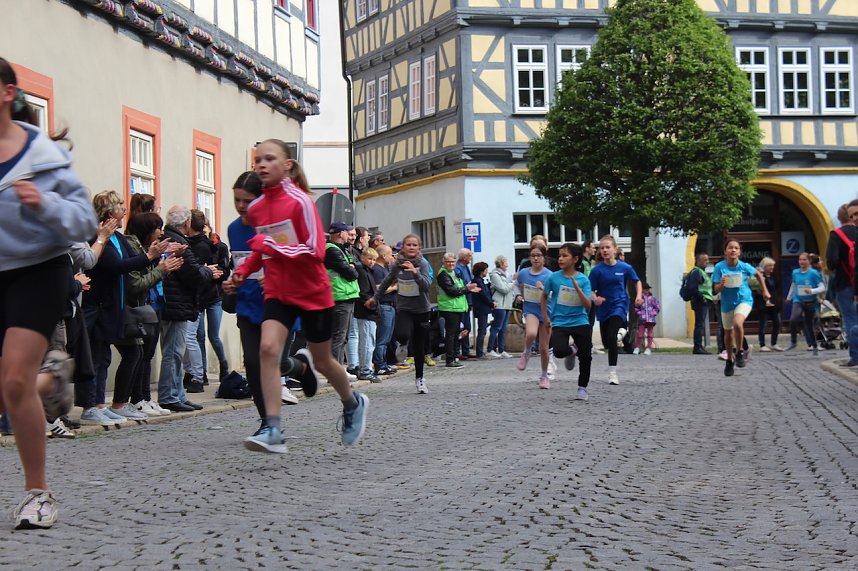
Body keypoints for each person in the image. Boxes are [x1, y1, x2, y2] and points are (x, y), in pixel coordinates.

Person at [0, 57, 98, 529]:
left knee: (15, 381)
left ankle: (37, 494)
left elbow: (84, 223)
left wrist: (44, 202)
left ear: (6, 93)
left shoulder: (44, 156)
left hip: (37, 269)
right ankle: (54, 380)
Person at [226, 139, 368, 453]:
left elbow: (315, 251)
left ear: (287, 165)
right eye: (257, 160)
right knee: (267, 349)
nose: (262, 165)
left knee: (324, 361)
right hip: (278, 291)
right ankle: (273, 428)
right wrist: (244, 271)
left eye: (269, 159)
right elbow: (261, 249)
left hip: (312, 291)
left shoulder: (301, 201)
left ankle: (352, 402)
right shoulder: (259, 207)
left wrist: (272, 248)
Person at [82, 190, 178, 424]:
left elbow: (133, 260)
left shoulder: (118, 238)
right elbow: (117, 265)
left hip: (114, 305)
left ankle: (102, 404)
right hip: (99, 304)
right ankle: (90, 406)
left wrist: (156, 255)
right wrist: (151, 258)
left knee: (104, 356)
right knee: (97, 357)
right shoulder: (99, 237)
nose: (124, 211)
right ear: (109, 211)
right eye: (120, 207)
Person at [225, 171, 299, 425]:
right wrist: (233, 281)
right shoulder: (234, 229)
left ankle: (300, 366)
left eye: (247, 200)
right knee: (254, 366)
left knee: (275, 362)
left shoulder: (276, 225)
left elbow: (299, 261)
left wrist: (277, 276)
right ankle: (268, 422)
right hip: (247, 304)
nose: (241, 206)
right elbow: (240, 264)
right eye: (237, 200)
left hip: (279, 303)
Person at [157, 205, 221, 412]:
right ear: (186, 223)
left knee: (176, 351)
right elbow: (193, 275)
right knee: (174, 352)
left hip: (174, 302)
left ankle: (178, 394)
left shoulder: (169, 237)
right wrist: (208, 271)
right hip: (177, 304)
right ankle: (169, 396)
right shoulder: (179, 242)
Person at [124, 212, 182, 417]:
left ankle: (145, 398)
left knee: (146, 355)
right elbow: (138, 283)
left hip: (154, 304)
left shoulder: (146, 248)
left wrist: (162, 262)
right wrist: (161, 268)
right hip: (143, 307)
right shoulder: (134, 248)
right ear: (147, 230)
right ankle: (137, 399)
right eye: (158, 228)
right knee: (140, 355)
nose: (161, 231)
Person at [368, 234, 432, 393]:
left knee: (419, 347)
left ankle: (420, 379)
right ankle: (403, 344)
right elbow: (386, 282)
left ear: (419, 248)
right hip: (404, 307)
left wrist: (414, 273)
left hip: (422, 309)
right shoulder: (396, 264)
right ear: (403, 247)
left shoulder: (423, 264)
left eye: (414, 245)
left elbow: (426, 287)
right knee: (401, 334)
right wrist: (375, 299)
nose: (411, 247)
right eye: (408, 245)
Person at [541, 243, 593, 397]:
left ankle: (582, 387)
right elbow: (544, 296)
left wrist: (578, 289)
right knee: (558, 351)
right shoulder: (553, 277)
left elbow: (588, 305)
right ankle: (572, 350)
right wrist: (545, 317)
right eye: (560, 256)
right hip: (560, 322)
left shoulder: (583, 280)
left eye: (565, 256)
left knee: (586, 356)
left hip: (580, 321)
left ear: (575, 259)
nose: (561, 259)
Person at [588, 235, 642, 385]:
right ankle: (621, 333)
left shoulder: (624, 267)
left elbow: (637, 281)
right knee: (607, 342)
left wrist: (638, 296)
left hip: (619, 304)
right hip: (604, 307)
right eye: (602, 248)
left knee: (612, 336)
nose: (604, 250)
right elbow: (590, 290)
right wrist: (595, 298)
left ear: (615, 250)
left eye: (607, 247)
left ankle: (612, 373)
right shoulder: (597, 270)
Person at [712, 239, 770, 376]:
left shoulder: (744, 266)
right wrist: (721, 284)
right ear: (725, 251)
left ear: (739, 252)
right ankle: (729, 361)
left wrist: (765, 290)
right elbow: (715, 289)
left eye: (736, 248)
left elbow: (758, 274)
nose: (733, 250)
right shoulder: (719, 267)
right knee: (728, 333)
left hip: (744, 299)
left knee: (737, 323)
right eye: (730, 248)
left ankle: (739, 352)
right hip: (727, 303)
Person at [185, 209, 230, 384]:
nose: (204, 234)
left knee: (213, 335)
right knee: (198, 335)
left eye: (206, 231)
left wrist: (219, 272)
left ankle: (223, 365)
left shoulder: (220, 247)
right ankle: (201, 372)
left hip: (214, 297)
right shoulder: (192, 245)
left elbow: (226, 270)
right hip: (199, 297)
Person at [515, 244, 553, 387]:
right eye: (533, 256)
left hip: (546, 312)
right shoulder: (524, 273)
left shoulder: (550, 275)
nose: (536, 258)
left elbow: (555, 296)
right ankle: (526, 352)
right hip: (530, 309)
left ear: (544, 258)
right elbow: (516, 285)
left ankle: (544, 376)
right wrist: (518, 294)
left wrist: (545, 290)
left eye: (539, 256)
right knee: (531, 333)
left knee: (544, 348)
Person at [325, 221, 359, 368]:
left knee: (343, 337)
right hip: (340, 296)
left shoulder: (341, 249)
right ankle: (335, 371)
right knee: (339, 336)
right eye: (347, 232)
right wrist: (352, 269)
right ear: (341, 233)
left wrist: (352, 268)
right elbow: (352, 273)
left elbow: (353, 269)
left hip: (346, 296)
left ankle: (338, 369)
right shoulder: (331, 250)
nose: (350, 236)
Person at [438, 253, 480, 367]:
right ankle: (450, 359)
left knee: (456, 333)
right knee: (451, 334)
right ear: (444, 262)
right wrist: (467, 289)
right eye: (448, 262)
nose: (451, 264)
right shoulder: (443, 274)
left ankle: (454, 357)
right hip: (449, 307)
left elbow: (459, 288)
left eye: (453, 262)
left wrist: (469, 289)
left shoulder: (453, 273)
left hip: (456, 307)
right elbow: (451, 291)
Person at [826, 202, 858, 353]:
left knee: (850, 319)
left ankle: (855, 356)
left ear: (839, 218)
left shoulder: (836, 235)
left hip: (844, 282)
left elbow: (831, 261)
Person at [785, 252, 825, 355]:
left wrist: (812, 291)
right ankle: (793, 341)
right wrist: (789, 297)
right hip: (798, 299)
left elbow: (822, 288)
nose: (801, 262)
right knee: (793, 319)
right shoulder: (795, 272)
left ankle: (814, 345)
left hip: (810, 301)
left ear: (809, 261)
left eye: (804, 260)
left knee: (809, 324)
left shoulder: (814, 273)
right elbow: (794, 285)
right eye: (800, 260)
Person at [353, 247, 381, 382]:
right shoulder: (362, 271)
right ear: (363, 257)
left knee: (368, 341)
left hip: (368, 311)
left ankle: (365, 368)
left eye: (374, 259)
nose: (372, 262)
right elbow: (364, 293)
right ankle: (365, 370)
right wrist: (372, 305)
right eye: (370, 258)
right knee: (367, 342)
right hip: (366, 311)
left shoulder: (367, 271)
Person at [371, 244, 397, 375]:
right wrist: (394, 287)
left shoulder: (385, 269)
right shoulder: (377, 270)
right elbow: (377, 289)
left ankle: (384, 362)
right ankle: (379, 364)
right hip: (384, 306)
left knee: (387, 338)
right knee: (382, 337)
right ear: (383, 255)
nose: (392, 257)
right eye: (391, 254)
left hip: (391, 306)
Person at [487, 255, 514, 359]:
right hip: (499, 305)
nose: (507, 264)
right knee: (496, 327)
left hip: (506, 304)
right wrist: (512, 282)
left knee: (503, 328)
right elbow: (504, 289)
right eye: (506, 262)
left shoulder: (505, 275)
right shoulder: (495, 275)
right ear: (501, 263)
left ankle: (502, 350)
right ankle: (490, 349)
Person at [687, 253, 713, 354]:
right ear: (698, 261)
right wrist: (701, 297)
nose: (707, 261)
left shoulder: (701, 272)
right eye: (705, 260)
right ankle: (697, 346)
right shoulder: (697, 272)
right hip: (700, 301)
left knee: (700, 324)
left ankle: (699, 346)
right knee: (699, 324)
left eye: (708, 259)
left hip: (702, 301)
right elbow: (692, 288)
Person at [756, 257, 783, 352]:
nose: (772, 267)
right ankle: (762, 344)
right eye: (770, 265)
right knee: (763, 324)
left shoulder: (773, 277)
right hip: (763, 304)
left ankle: (774, 343)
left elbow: (776, 289)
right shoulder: (759, 277)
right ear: (764, 266)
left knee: (777, 322)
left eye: (773, 265)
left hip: (774, 304)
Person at [454, 248, 475, 359]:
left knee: (467, 326)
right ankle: (457, 351)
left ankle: (466, 350)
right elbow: (461, 285)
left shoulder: (466, 267)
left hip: (468, 301)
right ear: (464, 257)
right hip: (461, 301)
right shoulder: (457, 268)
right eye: (469, 256)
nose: (471, 258)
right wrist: (469, 287)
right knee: (461, 327)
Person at [471, 261, 494, 358]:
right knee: (482, 330)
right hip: (481, 308)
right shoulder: (478, 281)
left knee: (482, 329)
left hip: (482, 308)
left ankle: (480, 351)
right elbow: (483, 295)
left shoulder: (480, 281)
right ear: (481, 271)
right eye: (486, 270)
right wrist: (491, 303)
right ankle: (479, 352)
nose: (487, 271)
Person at [633, 283, 660, 355]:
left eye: (648, 289)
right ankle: (637, 347)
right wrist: (639, 313)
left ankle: (649, 348)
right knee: (640, 334)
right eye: (645, 289)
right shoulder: (640, 298)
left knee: (650, 333)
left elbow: (657, 307)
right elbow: (636, 307)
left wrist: (653, 313)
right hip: (642, 318)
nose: (646, 290)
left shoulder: (653, 298)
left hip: (650, 319)